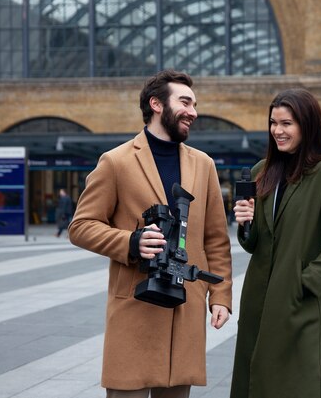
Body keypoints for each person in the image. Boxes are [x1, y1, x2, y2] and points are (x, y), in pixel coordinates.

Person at [68, 70, 232, 398]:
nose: (193, 111)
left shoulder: (204, 165)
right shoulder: (115, 162)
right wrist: (131, 241)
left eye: (195, 104)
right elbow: (81, 226)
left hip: (185, 308)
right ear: (156, 104)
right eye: (184, 102)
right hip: (135, 305)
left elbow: (216, 238)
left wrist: (222, 297)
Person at [230, 88, 321, 398]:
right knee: (254, 381)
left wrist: (305, 284)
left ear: (306, 124)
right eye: (273, 123)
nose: (277, 131)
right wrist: (246, 224)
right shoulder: (263, 171)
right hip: (259, 298)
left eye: (287, 123)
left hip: (300, 303)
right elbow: (254, 242)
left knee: (298, 383)